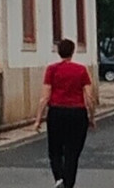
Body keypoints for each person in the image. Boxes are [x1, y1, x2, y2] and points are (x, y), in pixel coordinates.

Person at [34, 38, 95, 188]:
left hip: (57, 112)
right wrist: (91, 117)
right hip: (77, 113)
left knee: (55, 150)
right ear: (73, 52)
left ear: (58, 51)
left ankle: (59, 178)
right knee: (72, 153)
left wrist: (38, 119)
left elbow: (45, 97)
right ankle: (68, 184)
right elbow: (89, 97)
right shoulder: (81, 70)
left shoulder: (52, 69)